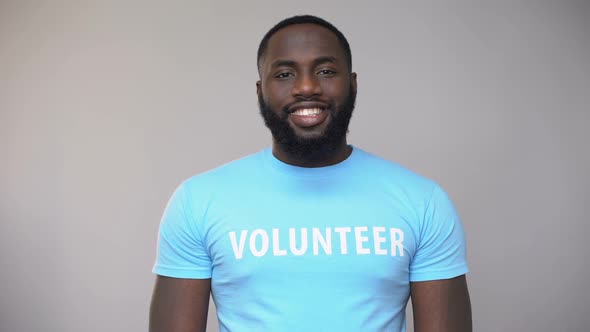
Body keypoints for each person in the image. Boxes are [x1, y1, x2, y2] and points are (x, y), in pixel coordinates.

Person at [149, 15, 472, 332]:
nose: (306, 87)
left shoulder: (423, 202)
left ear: (353, 85)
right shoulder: (198, 201)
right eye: (286, 73)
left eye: (326, 71)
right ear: (261, 91)